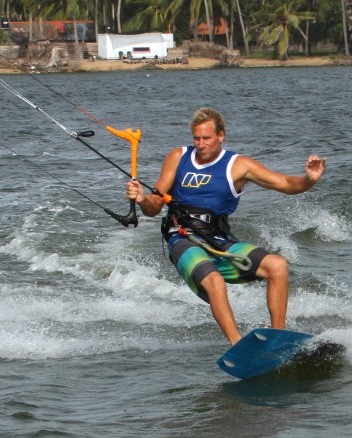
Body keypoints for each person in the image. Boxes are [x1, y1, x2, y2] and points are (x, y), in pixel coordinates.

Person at [126, 107, 325, 345]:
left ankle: (279, 339)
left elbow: (284, 183)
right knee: (214, 279)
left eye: (207, 138)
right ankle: (237, 344)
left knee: (277, 266)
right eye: (197, 138)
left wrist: (308, 180)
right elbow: (155, 206)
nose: (201, 144)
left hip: (218, 238)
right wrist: (142, 199)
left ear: (221, 135)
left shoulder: (238, 165)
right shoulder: (178, 157)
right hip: (181, 237)